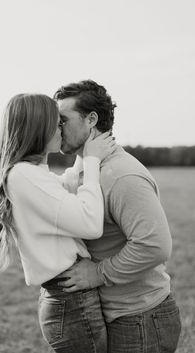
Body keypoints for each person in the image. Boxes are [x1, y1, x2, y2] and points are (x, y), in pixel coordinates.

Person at [54, 80, 182, 353]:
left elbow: (155, 246)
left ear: (91, 120)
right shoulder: (85, 165)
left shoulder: (121, 175)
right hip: (112, 316)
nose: (56, 128)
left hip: (141, 320)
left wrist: (98, 274)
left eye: (62, 120)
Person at [0, 93, 117, 353]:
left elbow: (62, 190)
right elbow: (90, 223)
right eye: (56, 123)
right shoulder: (24, 175)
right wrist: (91, 162)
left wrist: (84, 153)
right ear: (38, 128)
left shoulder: (27, 173)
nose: (61, 129)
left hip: (68, 299)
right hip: (72, 303)